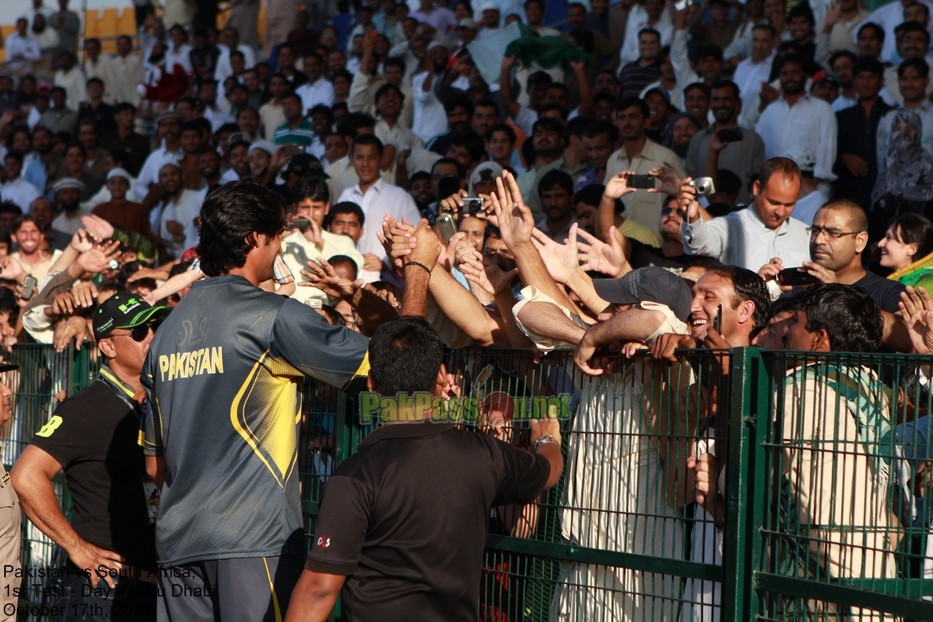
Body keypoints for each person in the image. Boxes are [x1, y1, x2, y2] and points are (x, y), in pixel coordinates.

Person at [141, 180, 373, 622]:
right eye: (279, 235)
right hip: (255, 543)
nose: (283, 246)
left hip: (177, 543)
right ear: (254, 239)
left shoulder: (166, 332)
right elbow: (384, 369)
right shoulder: (272, 315)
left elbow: (155, 466)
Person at [286, 312, 561, 620]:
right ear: (440, 375)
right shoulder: (484, 453)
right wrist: (546, 440)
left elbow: (319, 589)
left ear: (373, 383)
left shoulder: (354, 475)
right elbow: (548, 470)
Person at [12, 292, 166, 621]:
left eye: (156, 326)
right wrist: (76, 547)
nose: (152, 336)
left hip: (154, 585)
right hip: (100, 587)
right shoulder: (87, 407)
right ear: (108, 347)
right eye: (139, 332)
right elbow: (26, 475)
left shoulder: (161, 402)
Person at [777, 284, 901, 619]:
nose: (786, 330)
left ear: (820, 339)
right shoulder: (871, 388)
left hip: (825, 583)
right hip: (879, 578)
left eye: (797, 323)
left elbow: (749, 476)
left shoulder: (800, 389)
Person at [681, 157, 810, 271]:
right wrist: (692, 219)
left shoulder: (807, 235)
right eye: (774, 202)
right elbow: (700, 244)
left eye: (789, 204)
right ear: (757, 188)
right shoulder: (730, 226)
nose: (780, 212)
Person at [604, 97, 685, 236]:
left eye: (633, 116)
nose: (626, 123)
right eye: (622, 117)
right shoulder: (613, 160)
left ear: (646, 122)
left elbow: (685, 198)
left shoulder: (666, 158)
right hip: (621, 247)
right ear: (616, 122)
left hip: (659, 248)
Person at [755, 53, 837, 185]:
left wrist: (812, 184)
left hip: (809, 187)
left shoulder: (822, 109)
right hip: (774, 188)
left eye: (795, 72)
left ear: (805, 76)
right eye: (785, 73)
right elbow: (759, 149)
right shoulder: (770, 111)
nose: (789, 77)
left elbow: (828, 148)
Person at [685, 80, 766, 206]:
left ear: (737, 104)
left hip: (740, 215)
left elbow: (759, 182)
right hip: (703, 214)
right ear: (710, 104)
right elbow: (691, 180)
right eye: (716, 99)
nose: (720, 104)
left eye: (726, 99)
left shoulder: (752, 140)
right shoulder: (698, 139)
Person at [834, 57, 891, 213]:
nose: (865, 83)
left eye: (871, 77)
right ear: (854, 81)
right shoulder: (842, 117)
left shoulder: (892, 115)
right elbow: (830, 150)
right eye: (860, 77)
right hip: (849, 190)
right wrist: (844, 157)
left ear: (881, 81)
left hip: (884, 192)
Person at [872, 109, 933, 231]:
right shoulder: (888, 162)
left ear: (919, 132)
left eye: (910, 129)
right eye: (897, 128)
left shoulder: (927, 166)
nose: (903, 133)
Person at [881, 213, 933, 292]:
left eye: (889, 238)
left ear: (911, 249)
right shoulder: (906, 282)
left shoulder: (924, 285)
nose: (880, 243)